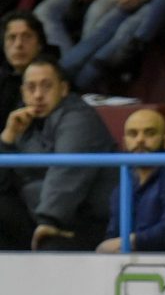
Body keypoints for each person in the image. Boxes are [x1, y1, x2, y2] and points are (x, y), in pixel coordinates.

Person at [0, 57, 116, 250]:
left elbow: (66, 171)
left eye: (46, 86)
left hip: (85, 220)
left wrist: (49, 220)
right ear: (22, 92)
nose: (38, 95)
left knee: (51, 246)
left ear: (63, 89)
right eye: (31, 87)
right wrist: (7, 137)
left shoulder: (79, 118)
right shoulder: (21, 122)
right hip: (40, 214)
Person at [96, 109, 165, 253]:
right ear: (124, 142)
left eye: (150, 133)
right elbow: (113, 234)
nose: (140, 140)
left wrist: (129, 242)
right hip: (132, 261)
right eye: (133, 134)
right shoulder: (124, 182)